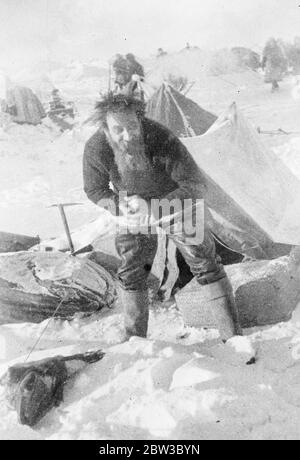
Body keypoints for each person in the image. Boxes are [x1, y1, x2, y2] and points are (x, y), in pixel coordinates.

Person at [83, 93, 242, 342]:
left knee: (204, 263)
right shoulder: (96, 147)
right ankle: (135, 340)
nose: (127, 135)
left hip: (176, 204)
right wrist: (117, 204)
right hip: (132, 211)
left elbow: (195, 185)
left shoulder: (162, 138)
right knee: (132, 270)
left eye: (133, 126)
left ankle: (233, 338)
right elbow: (94, 190)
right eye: (118, 130)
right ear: (106, 127)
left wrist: (156, 208)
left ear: (140, 120)